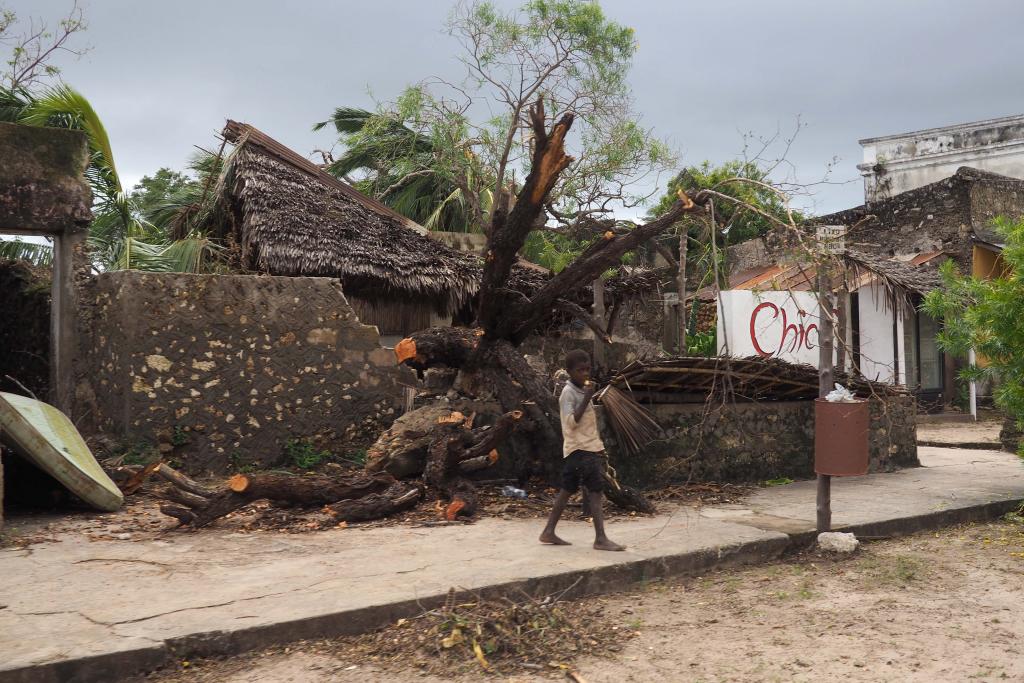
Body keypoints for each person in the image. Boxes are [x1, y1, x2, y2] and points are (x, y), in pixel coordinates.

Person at [539, 349, 625, 551]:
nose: (585, 374)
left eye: (587, 369)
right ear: (569, 372)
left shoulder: (579, 390)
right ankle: (601, 538)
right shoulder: (568, 394)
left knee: (567, 490)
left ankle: (549, 531)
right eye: (580, 370)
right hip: (580, 449)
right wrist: (587, 397)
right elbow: (571, 422)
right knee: (595, 491)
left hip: (583, 448)